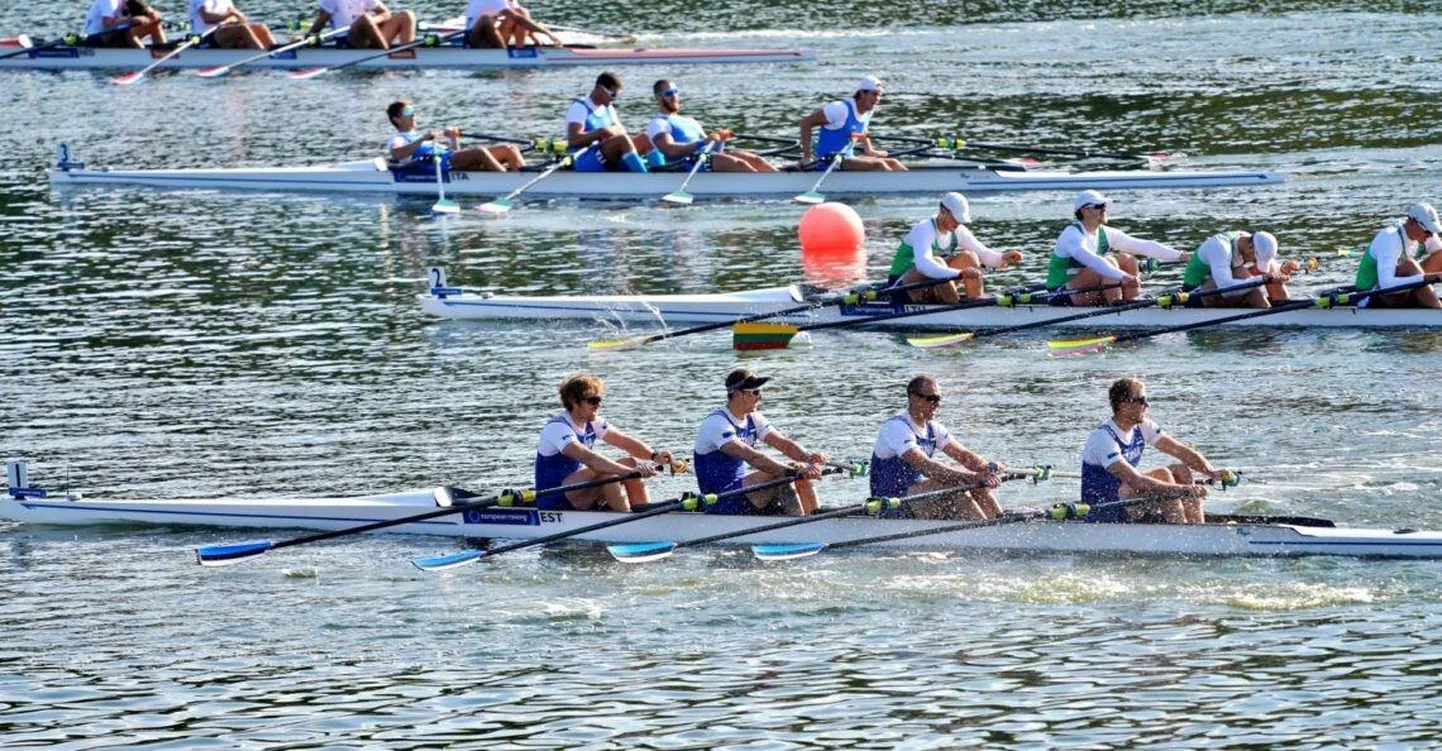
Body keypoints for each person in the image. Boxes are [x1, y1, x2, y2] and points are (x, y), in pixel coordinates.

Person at [1080, 378, 1228, 524]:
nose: (1147, 405)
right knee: (1163, 474)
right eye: (1142, 400)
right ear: (1124, 405)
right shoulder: (1103, 438)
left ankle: (1196, 528)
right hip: (1104, 507)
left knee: (1181, 470)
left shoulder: (1143, 426)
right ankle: (1179, 529)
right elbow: (1136, 481)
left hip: (1127, 497)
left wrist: (1211, 472)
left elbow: (1180, 451)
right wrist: (1183, 489)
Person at [693, 369, 828, 516]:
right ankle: (799, 525)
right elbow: (753, 457)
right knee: (786, 472)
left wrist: (808, 458)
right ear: (738, 394)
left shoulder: (753, 418)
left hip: (744, 494)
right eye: (755, 392)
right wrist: (792, 471)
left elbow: (783, 444)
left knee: (800, 467)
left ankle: (815, 517)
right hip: (720, 500)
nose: (760, 397)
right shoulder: (717, 423)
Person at [869, 375, 1004, 520]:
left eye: (939, 399)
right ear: (913, 398)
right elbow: (927, 467)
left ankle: (999, 522)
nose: (937, 404)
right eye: (931, 399)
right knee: (958, 486)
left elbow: (964, 456)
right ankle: (984, 532)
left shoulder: (933, 428)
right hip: (893, 502)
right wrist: (972, 478)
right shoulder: (896, 427)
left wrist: (987, 468)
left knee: (978, 486)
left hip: (919, 496)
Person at [534, 374, 675, 512]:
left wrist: (654, 456)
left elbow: (624, 441)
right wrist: (630, 472)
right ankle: (626, 517)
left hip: (580, 490)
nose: (598, 405)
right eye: (593, 400)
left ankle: (642, 508)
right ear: (574, 402)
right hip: (555, 498)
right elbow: (590, 459)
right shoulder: (557, 428)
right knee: (609, 473)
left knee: (630, 462)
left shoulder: (593, 422)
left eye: (599, 399)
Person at [1047, 189, 1189, 306]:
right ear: (1085, 211)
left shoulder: (1105, 233)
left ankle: (1132, 301)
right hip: (1062, 294)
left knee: (1128, 259)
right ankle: (1116, 306)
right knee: (1109, 262)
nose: (1105, 209)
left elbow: (1144, 246)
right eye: (1099, 206)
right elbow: (1094, 262)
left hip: (1086, 291)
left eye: (1105, 205)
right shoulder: (1072, 235)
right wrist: (1124, 276)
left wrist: (1179, 255)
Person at [886, 192, 1024, 302]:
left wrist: (1003, 257)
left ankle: (975, 300)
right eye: (955, 218)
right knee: (937, 262)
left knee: (969, 256)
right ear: (943, 211)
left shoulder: (958, 230)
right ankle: (954, 307)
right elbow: (924, 266)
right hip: (902, 290)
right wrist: (959, 273)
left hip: (930, 287)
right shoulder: (924, 229)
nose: (958, 222)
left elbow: (983, 253)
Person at [642, 79, 777, 173]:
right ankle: (766, 185)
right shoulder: (659, 123)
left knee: (756, 160)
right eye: (668, 94)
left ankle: (781, 180)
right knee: (739, 164)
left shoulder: (690, 121)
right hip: (684, 164)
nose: (674, 97)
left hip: (704, 159)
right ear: (659, 98)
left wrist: (720, 140)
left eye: (675, 91)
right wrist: (703, 142)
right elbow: (669, 151)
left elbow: (714, 150)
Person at [798, 76, 906, 172]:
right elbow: (805, 122)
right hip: (829, 161)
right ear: (862, 93)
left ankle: (907, 182)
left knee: (893, 162)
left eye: (879, 95)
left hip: (847, 158)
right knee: (879, 164)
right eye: (874, 94)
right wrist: (807, 157)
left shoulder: (868, 111)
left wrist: (869, 150)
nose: (877, 99)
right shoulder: (840, 108)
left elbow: (862, 130)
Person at [385, 101, 524, 175]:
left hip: (450, 159)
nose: (413, 115)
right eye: (408, 112)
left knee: (508, 148)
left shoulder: (418, 136)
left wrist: (453, 138)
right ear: (397, 119)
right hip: (441, 165)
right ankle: (506, 179)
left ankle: (524, 173)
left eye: (413, 111)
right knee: (479, 151)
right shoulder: (398, 138)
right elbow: (396, 153)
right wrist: (423, 139)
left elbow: (454, 152)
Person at [1354, 203, 1442, 309]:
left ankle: (1429, 300)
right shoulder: (1390, 238)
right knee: (1410, 265)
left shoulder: (1426, 235)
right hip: (1369, 296)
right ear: (1412, 222)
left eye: (1433, 231)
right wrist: (1429, 278)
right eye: (1428, 231)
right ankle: (1437, 308)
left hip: (1400, 291)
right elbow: (1386, 284)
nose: (1431, 235)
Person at [1181, 231, 1302, 308]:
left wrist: (1283, 270)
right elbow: (1226, 288)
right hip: (1194, 294)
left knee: (1267, 272)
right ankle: (1267, 313)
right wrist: (1262, 279)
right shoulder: (1220, 247)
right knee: (1244, 278)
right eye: (1255, 259)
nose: (1254, 262)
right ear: (1250, 247)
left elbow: (1262, 273)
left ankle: (1281, 303)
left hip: (1219, 286)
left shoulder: (1248, 240)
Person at [565, 72, 650, 174]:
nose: (614, 99)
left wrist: (609, 131)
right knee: (622, 140)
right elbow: (573, 141)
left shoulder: (609, 108)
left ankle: (656, 172)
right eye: (613, 94)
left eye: (617, 95)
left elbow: (621, 130)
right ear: (599, 89)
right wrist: (600, 132)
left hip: (605, 155)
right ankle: (644, 178)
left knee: (646, 138)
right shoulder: (580, 108)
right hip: (584, 159)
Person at [306, 0, 415, 50]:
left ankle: (407, 52)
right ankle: (385, 53)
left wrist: (372, 21)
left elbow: (385, 13)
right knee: (364, 19)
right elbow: (321, 21)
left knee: (406, 15)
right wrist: (308, 37)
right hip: (348, 38)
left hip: (369, 33)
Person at [465, 0, 559, 48]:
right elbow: (519, 20)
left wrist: (533, 37)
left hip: (495, 35)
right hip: (476, 37)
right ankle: (502, 53)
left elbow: (523, 20)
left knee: (521, 11)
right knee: (485, 19)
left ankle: (519, 50)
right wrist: (548, 34)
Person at [188, 0, 276, 49]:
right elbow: (207, 18)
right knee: (242, 28)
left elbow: (237, 17)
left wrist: (238, 18)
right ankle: (261, 54)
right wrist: (229, 15)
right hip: (205, 37)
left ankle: (275, 50)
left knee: (260, 27)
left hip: (222, 31)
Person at [84, 0, 166, 48]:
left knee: (155, 25)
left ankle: (162, 49)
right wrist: (132, 19)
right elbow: (108, 23)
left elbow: (147, 9)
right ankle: (143, 55)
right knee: (130, 31)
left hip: (116, 34)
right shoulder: (109, 1)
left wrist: (153, 14)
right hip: (97, 39)